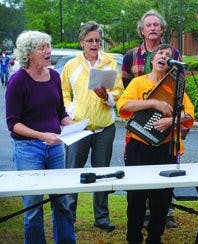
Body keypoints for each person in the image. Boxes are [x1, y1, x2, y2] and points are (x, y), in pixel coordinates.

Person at [116, 43, 194, 244]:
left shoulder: (176, 87)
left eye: (168, 55)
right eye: (160, 53)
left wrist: (171, 120)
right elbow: (123, 105)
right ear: (152, 59)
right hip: (138, 146)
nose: (164, 56)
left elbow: (189, 113)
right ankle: (133, 237)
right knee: (136, 196)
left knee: (162, 196)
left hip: (165, 147)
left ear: (171, 64)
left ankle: (154, 237)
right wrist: (153, 103)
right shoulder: (138, 83)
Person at [5, 30, 76, 243]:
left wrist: (76, 127)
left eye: (49, 46)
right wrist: (42, 136)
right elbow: (13, 124)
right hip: (28, 149)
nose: (48, 51)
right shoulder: (18, 81)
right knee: (33, 207)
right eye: (42, 47)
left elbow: (61, 113)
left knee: (61, 202)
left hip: (55, 148)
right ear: (29, 53)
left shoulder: (54, 76)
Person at [61, 21, 124, 232]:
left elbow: (119, 90)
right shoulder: (71, 65)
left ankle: (102, 217)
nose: (95, 44)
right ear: (82, 43)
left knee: (102, 173)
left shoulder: (109, 62)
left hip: (104, 127)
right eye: (90, 40)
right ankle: (69, 216)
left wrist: (107, 96)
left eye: (97, 40)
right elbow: (63, 92)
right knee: (73, 173)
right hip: (78, 128)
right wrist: (71, 111)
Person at [121, 9, 181, 229]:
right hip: (139, 123)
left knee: (164, 182)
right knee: (138, 184)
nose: (153, 28)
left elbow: (178, 88)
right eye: (149, 25)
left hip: (166, 125)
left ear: (162, 29)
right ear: (142, 30)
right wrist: (146, 104)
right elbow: (126, 87)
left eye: (157, 25)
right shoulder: (130, 55)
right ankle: (138, 225)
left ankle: (165, 215)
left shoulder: (173, 52)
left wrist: (178, 125)